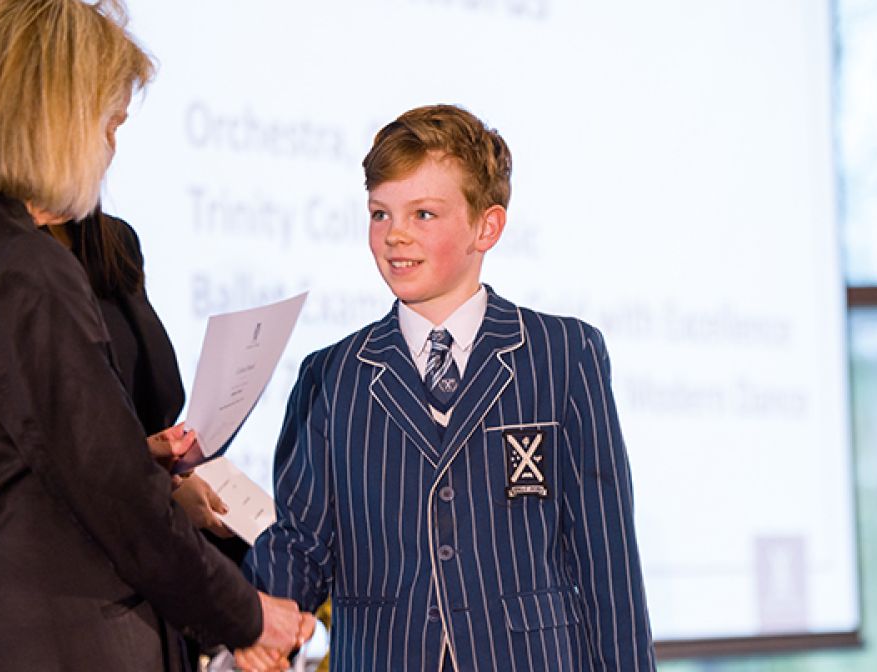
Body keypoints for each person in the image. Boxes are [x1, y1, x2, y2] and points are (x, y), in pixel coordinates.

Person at [0, 1, 310, 670]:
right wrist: (244, 614)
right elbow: (115, 498)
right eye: (110, 123)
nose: (110, 149)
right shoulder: (23, 267)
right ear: (55, 119)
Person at [243, 104, 656, 670]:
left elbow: (606, 558)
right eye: (380, 214)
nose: (396, 236)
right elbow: (302, 542)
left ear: (487, 226)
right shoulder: (331, 376)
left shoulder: (563, 354)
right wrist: (257, 620)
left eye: (424, 214)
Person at [44, 206, 251, 667]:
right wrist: (156, 490)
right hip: (74, 595)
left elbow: (152, 394)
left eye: (116, 128)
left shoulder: (112, 241)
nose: (109, 145)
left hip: (151, 584)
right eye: (105, 128)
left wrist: (169, 473)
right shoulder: (5, 259)